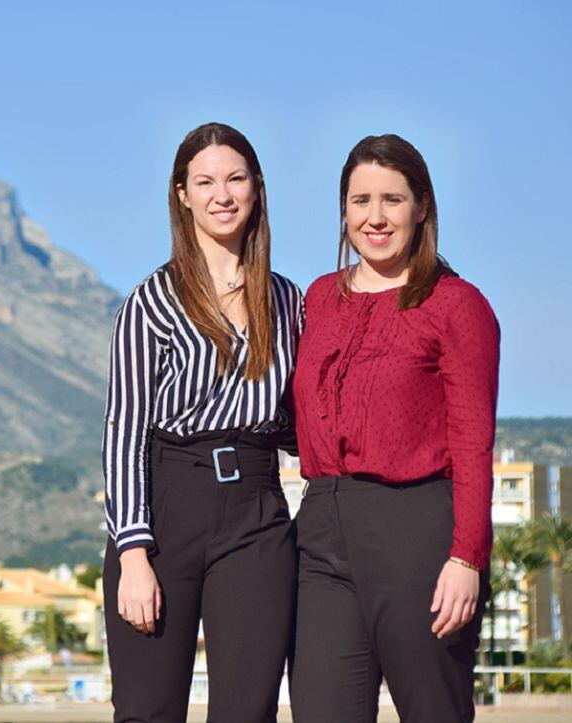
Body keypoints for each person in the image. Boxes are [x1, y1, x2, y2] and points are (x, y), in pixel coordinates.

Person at [289, 134, 499, 722]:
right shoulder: (319, 299)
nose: (375, 217)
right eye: (360, 201)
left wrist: (467, 559)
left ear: (422, 206)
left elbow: (473, 440)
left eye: (392, 199)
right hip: (322, 530)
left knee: (434, 711)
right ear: (343, 210)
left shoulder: (456, 304)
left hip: (418, 533)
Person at [101, 122, 303, 723]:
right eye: (205, 181)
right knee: (147, 709)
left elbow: (302, 419)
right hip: (166, 514)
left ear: (257, 189)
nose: (223, 194)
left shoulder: (291, 302)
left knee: (249, 710)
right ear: (182, 194)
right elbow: (124, 430)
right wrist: (133, 554)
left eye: (236, 178)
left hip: (257, 512)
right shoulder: (151, 302)